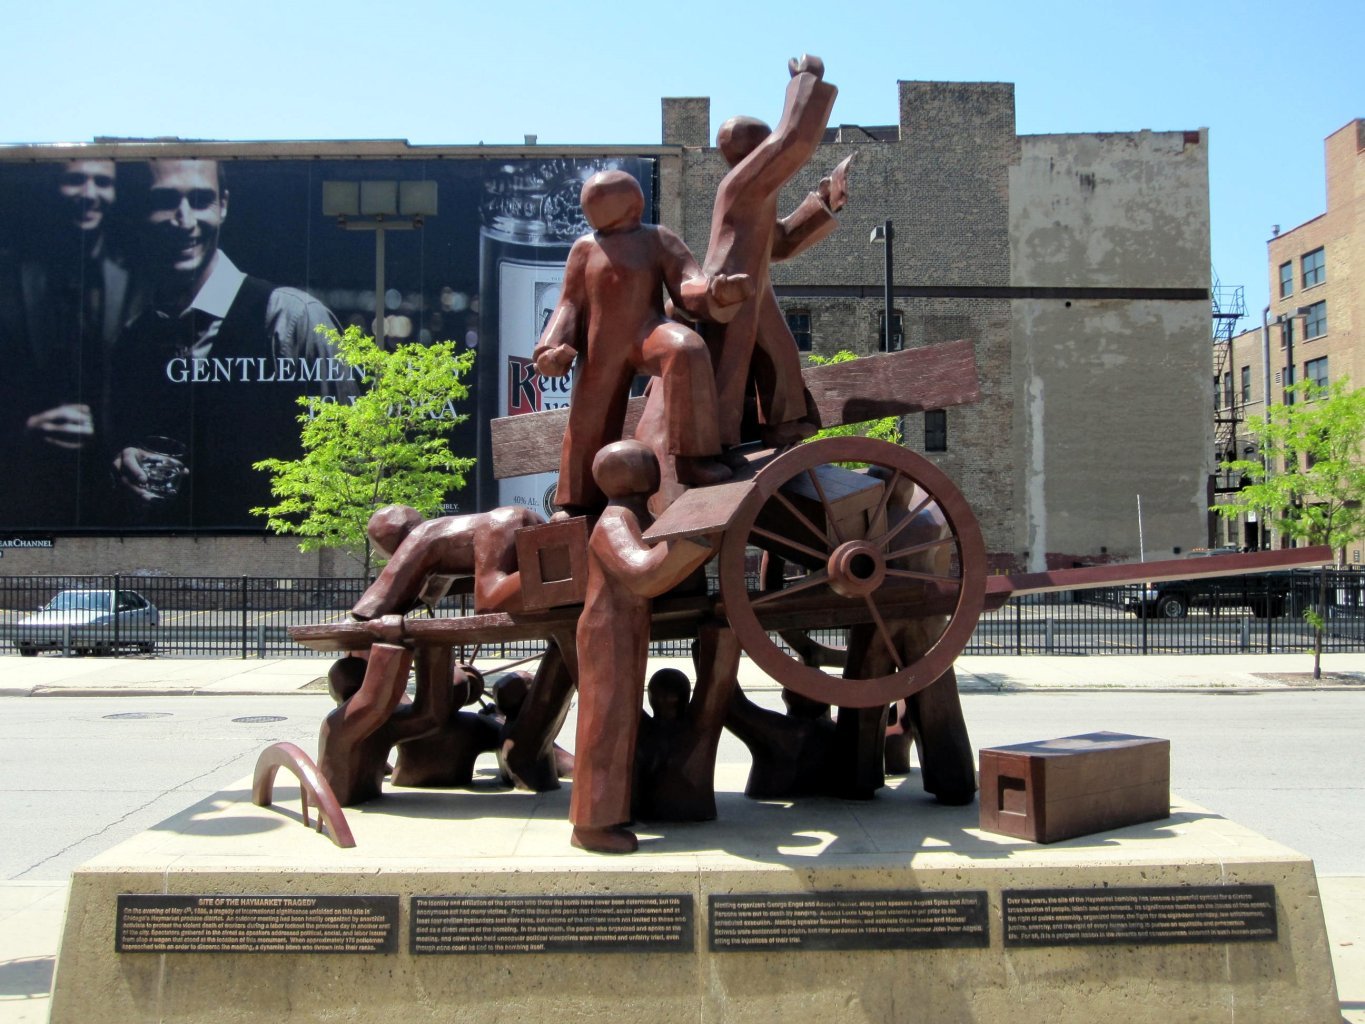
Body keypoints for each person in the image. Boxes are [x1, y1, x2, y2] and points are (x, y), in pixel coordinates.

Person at [104, 158, 355, 526]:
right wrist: (123, 465)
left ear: (223, 205)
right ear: (140, 212)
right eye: (165, 201)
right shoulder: (133, 337)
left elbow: (353, 473)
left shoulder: (294, 318)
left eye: (201, 200)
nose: (184, 220)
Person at [532, 170, 752, 515]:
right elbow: (569, 304)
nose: (590, 204)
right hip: (601, 346)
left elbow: (686, 283)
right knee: (589, 415)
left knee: (686, 348)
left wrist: (713, 291)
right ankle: (578, 500)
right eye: (590, 199)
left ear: (631, 202)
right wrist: (549, 349)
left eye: (599, 197)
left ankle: (693, 459)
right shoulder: (585, 248)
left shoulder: (656, 238)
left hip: (647, 333)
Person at [569, 441, 717, 853]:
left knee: (619, 725)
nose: (655, 467)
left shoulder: (636, 515)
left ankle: (611, 810)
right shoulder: (614, 521)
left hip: (625, 630)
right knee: (605, 726)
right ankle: (591, 825)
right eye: (648, 463)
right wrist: (694, 541)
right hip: (607, 633)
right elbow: (644, 575)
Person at [700, 55, 850, 448]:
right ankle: (715, 444)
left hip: (753, 286)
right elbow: (792, 140)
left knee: (781, 354)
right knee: (727, 372)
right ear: (757, 151)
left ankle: (783, 424)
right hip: (730, 288)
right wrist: (805, 81)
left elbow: (779, 240)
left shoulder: (754, 193)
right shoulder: (743, 183)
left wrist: (824, 202)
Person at [0, 159, 133, 525]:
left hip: (110, 492)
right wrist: (21, 428)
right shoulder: (6, 274)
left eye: (102, 182)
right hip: (22, 485)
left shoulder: (141, 278)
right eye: (75, 180)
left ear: (116, 193)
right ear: (53, 189)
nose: (89, 195)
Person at [351, 503, 545, 620]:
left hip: (499, 524)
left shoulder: (421, 534)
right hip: (518, 519)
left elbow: (385, 592)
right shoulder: (437, 542)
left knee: (489, 600)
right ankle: (551, 571)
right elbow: (422, 595)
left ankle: (553, 573)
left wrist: (360, 616)